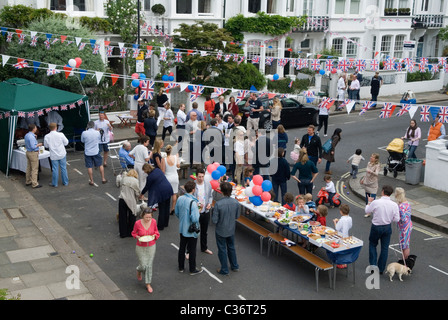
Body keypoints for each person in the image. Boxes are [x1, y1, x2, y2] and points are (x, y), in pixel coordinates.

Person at [365, 185, 400, 274]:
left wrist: (369, 202)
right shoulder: (394, 205)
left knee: (373, 245)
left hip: (376, 227)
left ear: (383, 191)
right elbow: (396, 219)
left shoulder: (376, 202)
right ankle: (381, 269)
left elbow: (367, 211)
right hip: (387, 227)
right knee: (385, 248)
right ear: (390, 194)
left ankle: (373, 267)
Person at [212, 181, 240, 275]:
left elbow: (215, 220)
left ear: (222, 191)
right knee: (231, 247)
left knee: (222, 249)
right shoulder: (236, 202)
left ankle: (224, 269)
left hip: (221, 230)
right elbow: (237, 216)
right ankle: (234, 265)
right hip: (231, 229)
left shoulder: (218, 204)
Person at [175, 180, 203, 275]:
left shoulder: (180, 199)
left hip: (182, 227)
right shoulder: (193, 203)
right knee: (192, 249)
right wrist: (198, 212)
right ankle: (192, 269)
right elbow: (195, 219)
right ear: (193, 190)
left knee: (182, 247)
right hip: (191, 230)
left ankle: (181, 267)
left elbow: (177, 212)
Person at [131, 208, 160, 293]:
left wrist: (155, 235)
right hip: (140, 247)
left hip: (151, 246)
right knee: (143, 265)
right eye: (146, 217)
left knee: (149, 265)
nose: (148, 219)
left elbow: (157, 232)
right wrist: (137, 237)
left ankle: (148, 283)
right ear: (142, 215)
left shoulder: (154, 222)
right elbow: (133, 233)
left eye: (150, 217)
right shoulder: (137, 223)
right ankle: (139, 270)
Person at [140, 163, 173, 231]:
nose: (144, 172)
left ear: (146, 169)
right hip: (168, 188)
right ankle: (166, 223)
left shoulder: (150, 177)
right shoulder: (158, 170)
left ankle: (160, 226)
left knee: (162, 209)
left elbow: (147, 187)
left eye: (144, 170)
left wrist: (142, 193)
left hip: (162, 193)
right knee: (167, 207)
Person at [194, 168, 213, 255]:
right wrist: (197, 207)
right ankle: (189, 251)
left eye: (202, 176)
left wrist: (209, 203)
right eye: (199, 177)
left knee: (204, 232)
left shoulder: (208, 185)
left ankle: (204, 248)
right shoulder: (193, 186)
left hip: (205, 212)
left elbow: (210, 196)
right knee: (193, 232)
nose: (201, 178)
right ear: (196, 176)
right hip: (196, 213)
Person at [81, 121, 107, 186]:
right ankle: (103, 179)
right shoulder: (97, 133)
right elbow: (99, 139)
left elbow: (82, 141)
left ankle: (92, 181)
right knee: (100, 165)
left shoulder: (84, 133)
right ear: (93, 126)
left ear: (87, 126)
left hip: (88, 152)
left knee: (89, 166)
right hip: (96, 151)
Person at [44, 122, 69, 187]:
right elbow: (66, 143)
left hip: (53, 155)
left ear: (49, 128)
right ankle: (65, 182)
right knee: (63, 168)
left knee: (55, 169)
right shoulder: (61, 134)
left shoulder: (47, 136)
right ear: (56, 127)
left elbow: (46, 146)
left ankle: (54, 183)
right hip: (62, 153)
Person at [118, 169, 140, 238]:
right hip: (131, 200)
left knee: (122, 217)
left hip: (122, 199)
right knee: (132, 216)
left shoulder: (124, 179)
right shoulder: (136, 181)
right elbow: (137, 193)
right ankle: (131, 233)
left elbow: (119, 185)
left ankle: (123, 233)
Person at [394, 187, 412, 260]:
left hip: (404, 227)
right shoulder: (407, 203)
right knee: (406, 244)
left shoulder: (401, 206)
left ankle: (404, 261)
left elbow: (403, 219)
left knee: (404, 245)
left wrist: (397, 217)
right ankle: (404, 259)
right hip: (408, 225)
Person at [333, 203, 352, 268]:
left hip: (340, 236)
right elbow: (350, 225)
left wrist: (335, 222)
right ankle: (345, 263)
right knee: (345, 250)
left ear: (341, 211)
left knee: (340, 250)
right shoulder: (349, 218)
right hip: (346, 236)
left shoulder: (341, 220)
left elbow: (337, 228)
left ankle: (340, 263)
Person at [24, 124, 43, 189]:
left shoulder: (27, 135)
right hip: (33, 153)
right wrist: (39, 145)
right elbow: (33, 146)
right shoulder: (31, 137)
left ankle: (28, 181)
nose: (36, 129)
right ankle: (34, 183)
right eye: (35, 128)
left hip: (28, 152)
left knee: (29, 167)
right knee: (34, 169)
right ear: (33, 129)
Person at [164, 145, 180, 216]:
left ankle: (166, 207)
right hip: (175, 177)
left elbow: (163, 171)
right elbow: (178, 166)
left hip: (167, 177)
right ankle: (172, 208)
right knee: (174, 193)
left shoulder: (164, 159)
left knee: (166, 193)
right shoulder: (175, 157)